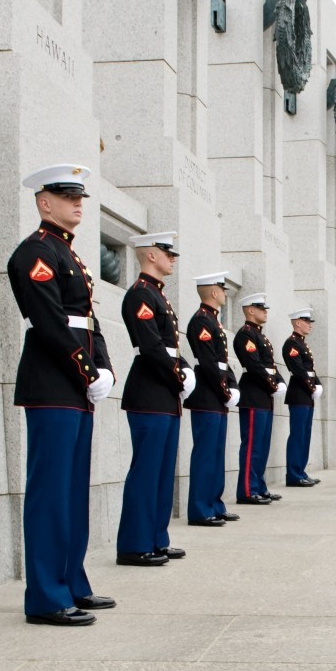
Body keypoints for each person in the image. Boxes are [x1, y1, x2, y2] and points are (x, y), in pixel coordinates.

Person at [8, 164, 116, 626]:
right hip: (54, 380)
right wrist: (86, 368)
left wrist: (105, 367)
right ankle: (46, 596)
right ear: (43, 202)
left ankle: (72, 580)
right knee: (51, 491)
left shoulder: (70, 255)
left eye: (80, 197)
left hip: (76, 382)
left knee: (72, 489)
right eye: (66, 196)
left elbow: (88, 321)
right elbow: (51, 322)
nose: (77, 204)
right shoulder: (35, 252)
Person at [117, 232, 194, 565]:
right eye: (167, 253)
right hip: (149, 391)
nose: (172, 258)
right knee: (146, 472)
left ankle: (156, 538)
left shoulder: (158, 295)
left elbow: (171, 349)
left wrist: (185, 370)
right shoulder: (140, 295)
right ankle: (135, 544)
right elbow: (150, 348)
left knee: (162, 473)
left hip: (165, 393)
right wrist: (180, 375)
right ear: (150, 255)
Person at [184, 272, 240, 526]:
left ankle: (214, 504)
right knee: (205, 454)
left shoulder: (212, 321)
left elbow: (222, 363)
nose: (225, 294)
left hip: (216, 395)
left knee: (216, 454)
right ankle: (199, 508)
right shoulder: (201, 321)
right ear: (214, 292)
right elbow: (208, 363)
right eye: (223, 289)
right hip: (207, 395)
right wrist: (225, 390)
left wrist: (230, 386)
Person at [233, 293, 286, 504]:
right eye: (261, 308)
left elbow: (270, 365)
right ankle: (247, 490)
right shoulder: (246, 335)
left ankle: (259, 486)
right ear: (250, 310)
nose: (265, 311)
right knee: (252, 446)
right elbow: (255, 366)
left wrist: (279, 381)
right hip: (254, 394)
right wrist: (273, 384)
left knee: (262, 446)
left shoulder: (260, 336)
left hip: (264, 395)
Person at [282, 309, 323, 487]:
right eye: (306, 321)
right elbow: (299, 370)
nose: (310, 325)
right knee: (298, 435)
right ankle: (293, 474)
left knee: (305, 435)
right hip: (299, 394)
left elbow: (310, 370)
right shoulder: (291, 344)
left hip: (307, 395)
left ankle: (301, 471)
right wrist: (312, 386)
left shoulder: (302, 344)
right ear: (297, 322)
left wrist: (318, 383)